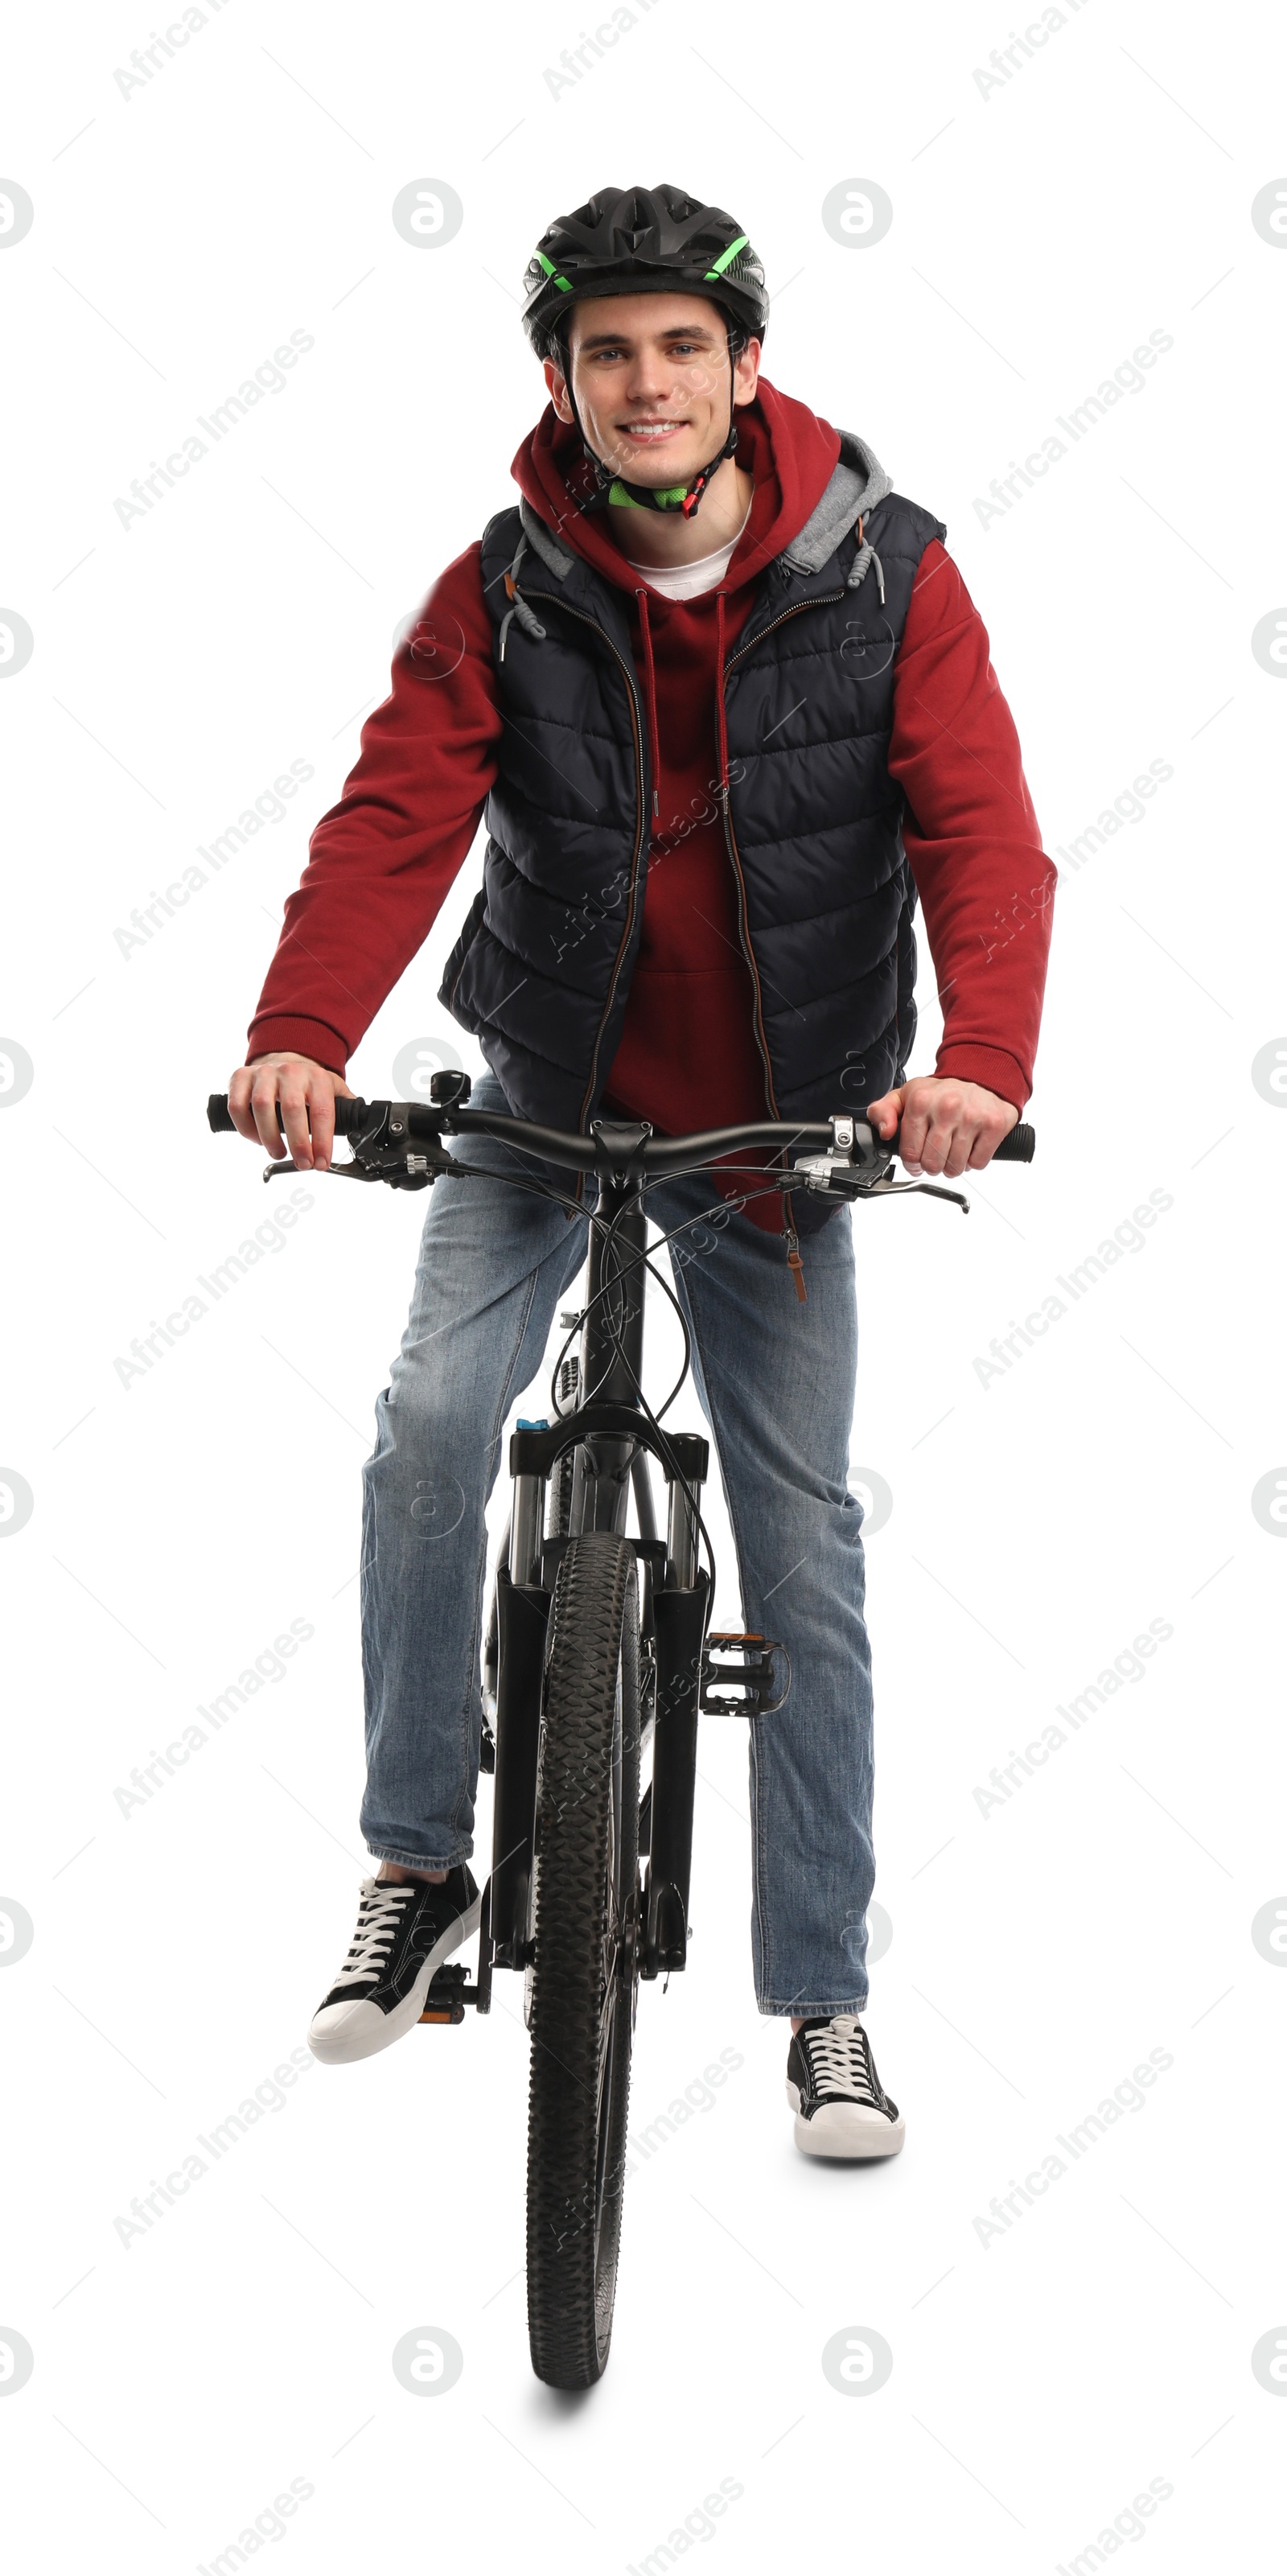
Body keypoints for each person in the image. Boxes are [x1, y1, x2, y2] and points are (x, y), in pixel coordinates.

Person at [228, 185, 1054, 2158]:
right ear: (561, 382)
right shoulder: (504, 582)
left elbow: (980, 833)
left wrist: (975, 1070)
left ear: (745, 365)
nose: (648, 379)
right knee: (430, 1419)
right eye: (607, 350)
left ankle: (825, 2004)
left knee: (804, 1547)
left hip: (784, 1125)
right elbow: (394, 815)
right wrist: (304, 1035)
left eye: (683, 343)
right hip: (545, 1089)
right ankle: (418, 1862)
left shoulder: (887, 572)